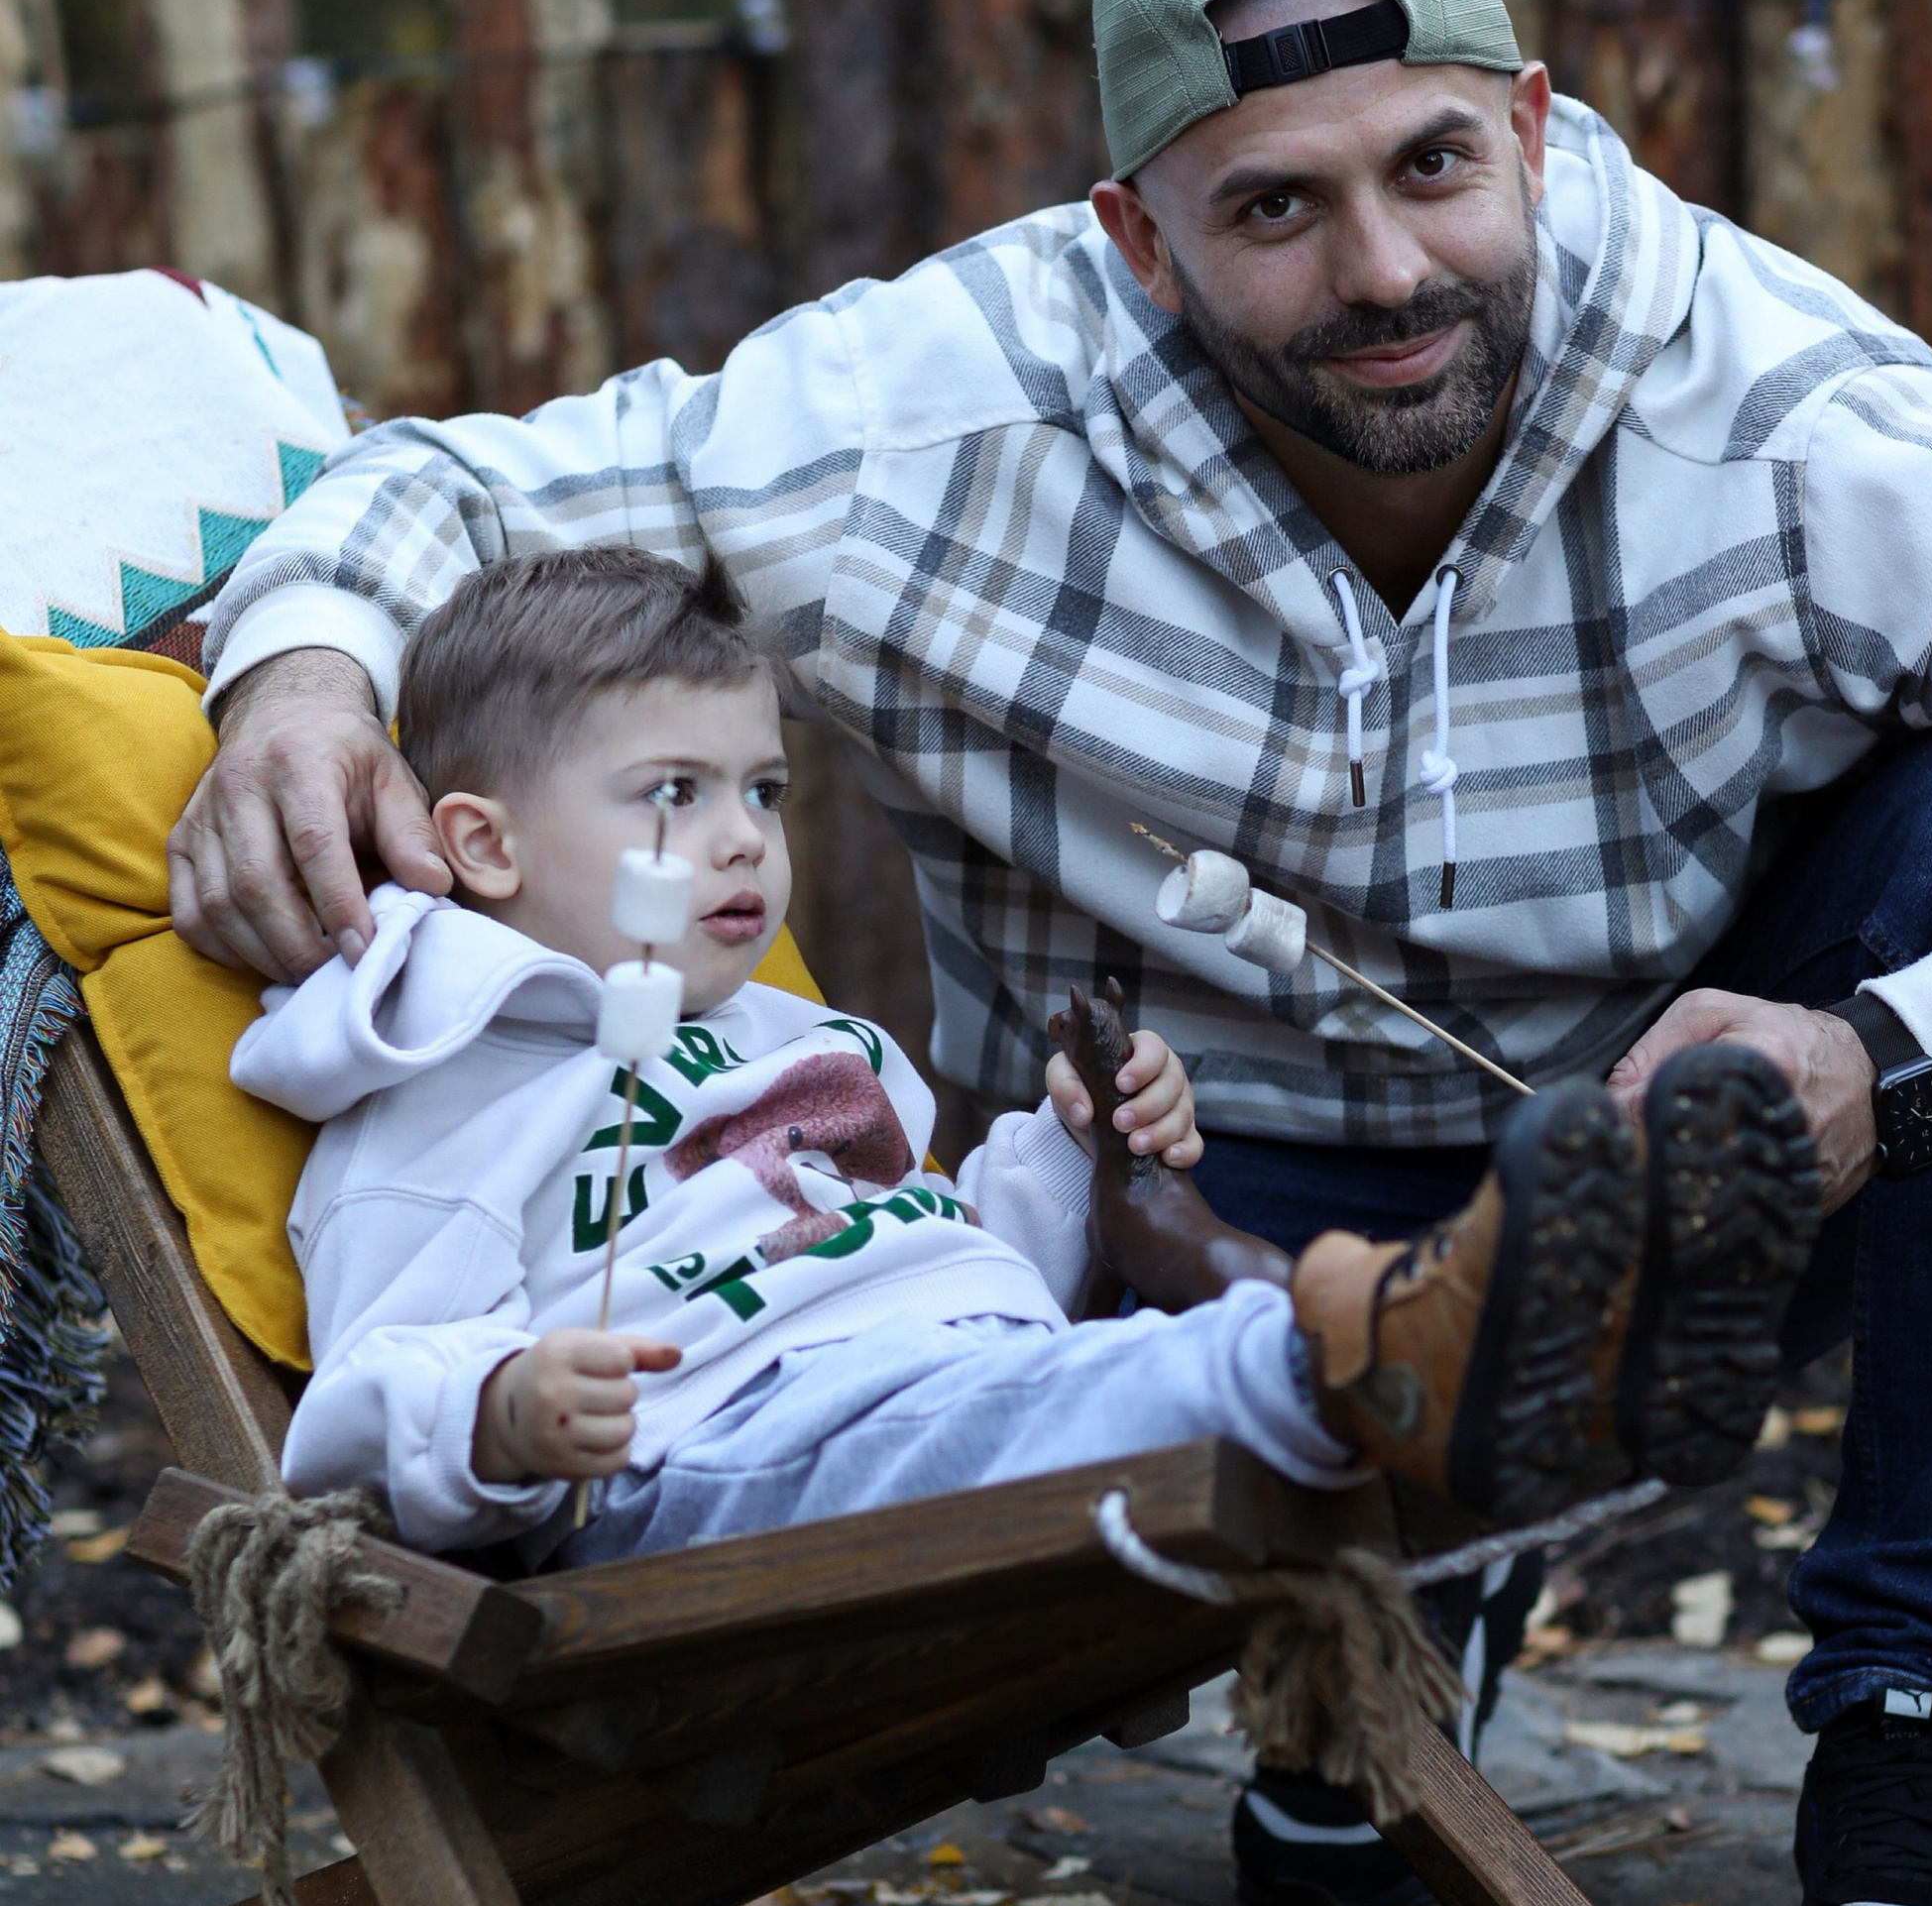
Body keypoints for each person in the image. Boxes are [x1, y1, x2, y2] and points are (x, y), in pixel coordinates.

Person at [171, 0, 1932, 1906]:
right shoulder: (939, 409)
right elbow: (455, 483)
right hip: (1161, 1210)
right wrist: (297, 666)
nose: (1383, 268)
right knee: (1289, 1519)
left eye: (1434, 167)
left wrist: (1887, 1059)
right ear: (1138, 245)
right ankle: (1399, 1577)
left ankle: (1908, 1732)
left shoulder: (1766, 404)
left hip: (1662, 1184)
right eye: (1273, 207)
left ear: (1538, 134)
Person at [240, 540, 1813, 1573]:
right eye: (672, 794)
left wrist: (1073, 1159)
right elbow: (359, 1412)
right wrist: (506, 1412)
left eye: (765, 792)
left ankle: (1551, 1354)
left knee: (1064, 1385)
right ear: (483, 845)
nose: (738, 839)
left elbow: (946, 1254)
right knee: (1122, 1391)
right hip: (719, 1475)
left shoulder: (788, 1037)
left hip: (952, 1382)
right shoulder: (442, 1085)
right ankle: (1434, 1349)